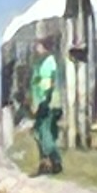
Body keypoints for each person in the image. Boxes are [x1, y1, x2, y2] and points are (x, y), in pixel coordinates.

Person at [26, 39, 67, 175]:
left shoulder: (49, 63)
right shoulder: (41, 63)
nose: (36, 48)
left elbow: (46, 84)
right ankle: (46, 163)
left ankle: (54, 162)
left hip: (47, 103)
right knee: (40, 132)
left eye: (38, 46)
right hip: (45, 102)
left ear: (44, 47)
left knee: (44, 133)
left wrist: (40, 102)